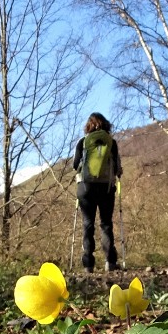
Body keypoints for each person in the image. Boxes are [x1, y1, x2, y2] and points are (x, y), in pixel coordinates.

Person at [72, 112, 122, 272]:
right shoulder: (111, 143)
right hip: (106, 188)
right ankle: (110, 262)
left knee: (88, 224)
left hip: (86, 188)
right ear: (106, 124)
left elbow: (75, 165)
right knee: (106, 224)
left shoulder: (83, 142)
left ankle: (88, 264)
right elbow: (118, 168)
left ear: (89, 126)